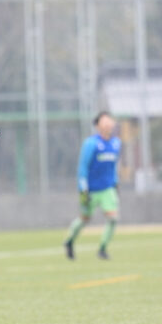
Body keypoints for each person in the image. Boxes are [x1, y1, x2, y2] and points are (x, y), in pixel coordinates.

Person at [64, 111, 121, 260]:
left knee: (113, 218)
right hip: (90, 189)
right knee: (84, 219)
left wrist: (115, 183)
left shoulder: (116, 143)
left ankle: (102, 248)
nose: (108, 123)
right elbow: (82, 168)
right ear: (97, 125)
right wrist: (83, 190)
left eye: (109, 120)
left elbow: (113, 167)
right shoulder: (91, 143)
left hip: (107, 188)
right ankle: (69, 241)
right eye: (104, 121)